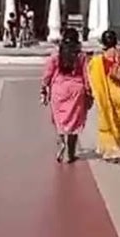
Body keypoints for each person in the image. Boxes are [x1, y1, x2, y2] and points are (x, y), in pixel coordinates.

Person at [88, 29, 120, 161]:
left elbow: (93, 77)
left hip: (110, 95)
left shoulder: (99, 60)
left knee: (110, 121)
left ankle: (113, 150)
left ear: (103, 43)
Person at [41, 28, 90, 163]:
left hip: (59, 89)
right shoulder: (81, 56)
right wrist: (88, 91)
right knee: (74, 122)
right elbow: (86, 75)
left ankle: (61, 141)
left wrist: (44, 88)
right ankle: (71, 153)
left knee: (59, 120)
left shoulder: (56, 55)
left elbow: (48, 74)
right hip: (76, 90)